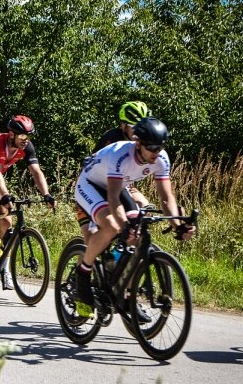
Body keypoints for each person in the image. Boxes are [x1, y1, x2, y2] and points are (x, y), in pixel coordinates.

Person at [73, 117, 196, 317]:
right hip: (90, 184)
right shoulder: (119, 154)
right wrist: (123, 226)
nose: (157, 153)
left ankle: (126, 295)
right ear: (138, 143)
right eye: (152, 148)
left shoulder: (161, 158)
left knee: (137, 238)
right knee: (112, 225)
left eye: (161, 147)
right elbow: (112, 198)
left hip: (117, 186)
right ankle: (84, 272)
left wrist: (177, 225)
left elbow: (166, 198)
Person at [0, 115, 56, 289]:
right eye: (22, 136)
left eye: (28, 137)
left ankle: (4, 269)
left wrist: (47, 194)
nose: (25, 140)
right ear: (11, 134)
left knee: (7, 224)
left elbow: (36, 171)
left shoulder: (26, 147)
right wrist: (5, 195)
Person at [76, 101, 152, 238]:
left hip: (119, 186)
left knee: (144, 206)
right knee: (90, 235)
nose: (140, 132)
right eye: (135, 127)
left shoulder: (143, 144)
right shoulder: (113, 140)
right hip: (93, 185)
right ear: (123, 126)